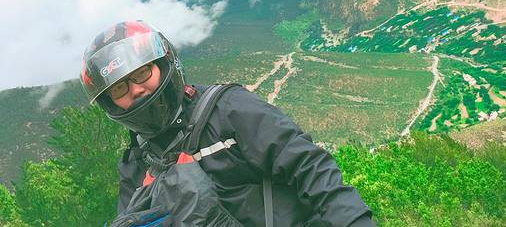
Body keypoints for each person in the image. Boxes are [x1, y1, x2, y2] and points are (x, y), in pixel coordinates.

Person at [80, 20, 374, 226]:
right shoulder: (137, 164)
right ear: (110, 102)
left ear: (164, 64)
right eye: (119, 88)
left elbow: (310, 167)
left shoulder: (228, 109)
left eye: (142, 73)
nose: (135, 90)